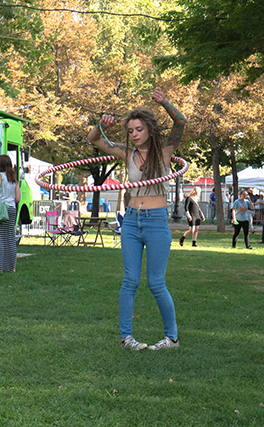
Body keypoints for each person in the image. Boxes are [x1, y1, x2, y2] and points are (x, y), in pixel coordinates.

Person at [87, 87, 185, 351]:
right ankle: (126, 338)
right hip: (131, 220)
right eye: (130, 131)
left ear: (149, 129)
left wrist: (165, 102)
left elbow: (181, 122)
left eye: (139, 129)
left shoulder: (165, 152)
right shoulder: (127, 153)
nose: (134, 134)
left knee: (156, 282)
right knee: (130, 280)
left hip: (156, 222)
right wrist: (101, 124)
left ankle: (172, 339)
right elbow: (94, 139)